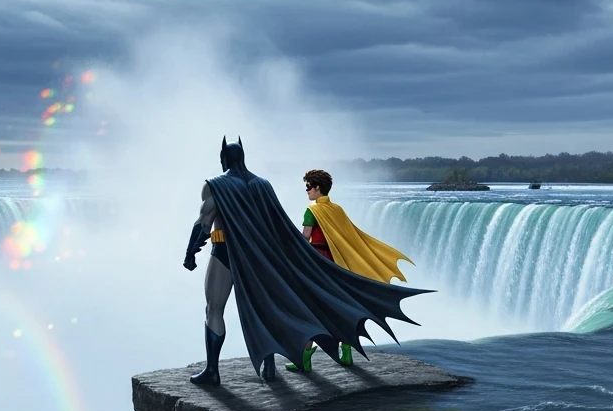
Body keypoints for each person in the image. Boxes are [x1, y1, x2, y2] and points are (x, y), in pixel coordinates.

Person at [183, 138, 429, 386]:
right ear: (243, 157)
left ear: (223, 158)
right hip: (261, 255)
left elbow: (204, 222)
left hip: (225, 250)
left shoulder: (214, 186)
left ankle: (212, 371)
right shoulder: (263, 185)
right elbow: (277, 225)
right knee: (266, 310)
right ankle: (270, 368)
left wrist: (190, 253)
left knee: (213, 309)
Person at [287, 168, 417, 371]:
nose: (307, 191)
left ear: (317, 188)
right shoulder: (337, 209)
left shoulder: (312, 210)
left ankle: (304, 358)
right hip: (337, 265)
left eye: (308, 187)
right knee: (339, 308)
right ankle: (346, 352)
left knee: (309, 308)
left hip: (316, 264)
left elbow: (304, 238)